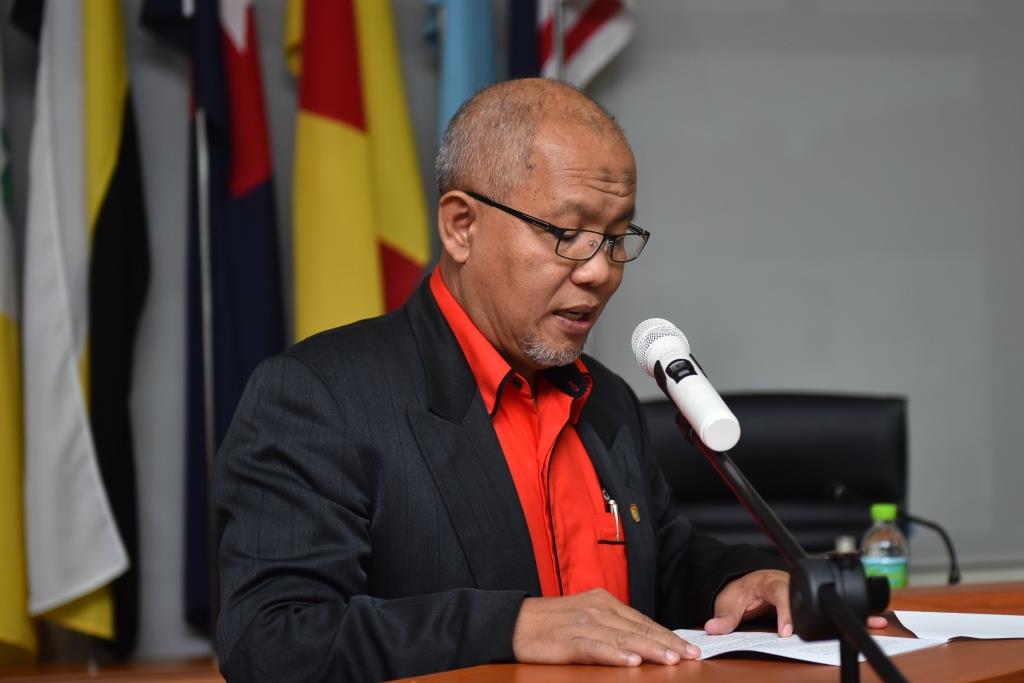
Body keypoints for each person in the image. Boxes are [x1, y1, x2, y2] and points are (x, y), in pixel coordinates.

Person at [215, 78, 879, 681]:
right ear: (461, 226)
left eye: (616, 238)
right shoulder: (321, 396)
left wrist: (737, 580)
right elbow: (270, 640)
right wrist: (510, 625)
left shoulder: (607, 398)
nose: (600, 271)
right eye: (568, 232)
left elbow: (662, 561)